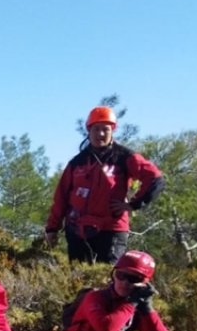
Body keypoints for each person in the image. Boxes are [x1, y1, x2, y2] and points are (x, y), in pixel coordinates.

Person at [44, 106, 165, 263]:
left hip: (111, 230)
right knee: (78, 280)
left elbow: (155, 179)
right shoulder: (77, 162)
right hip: (77, 229)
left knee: (108, 279)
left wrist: (134, 204)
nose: (100, 134)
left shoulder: (123, 157)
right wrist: (52, 228)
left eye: (105, 129)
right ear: (89, 131)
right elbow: (61, 197)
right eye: (96, 129)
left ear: (112, 130)